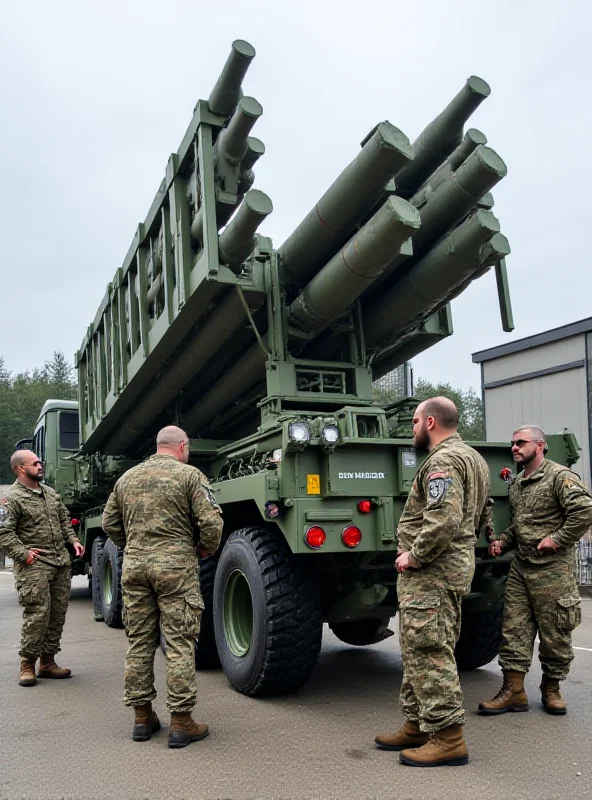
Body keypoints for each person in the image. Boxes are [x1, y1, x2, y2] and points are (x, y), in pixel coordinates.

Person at [375, 397, 490, 767]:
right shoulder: (474, 458)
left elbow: (444, 519)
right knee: (416, 646)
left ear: (429, 422)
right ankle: (417, 725)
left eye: (412, 422)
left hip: (433, 570)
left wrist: (415, 554)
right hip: (448, 567)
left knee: (430, 649)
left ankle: (448, 737)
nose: (411, 429)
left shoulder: (441, 461)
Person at [102, 425, 223, 748]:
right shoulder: (189, 476)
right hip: (175, 568)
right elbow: (211, 523)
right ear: (182, 446)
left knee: (139, 642)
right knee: (180, 643)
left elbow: (109, 523)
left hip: (135, 568)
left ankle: (143, 718)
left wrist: (134, 545)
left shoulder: (126, 479)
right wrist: (204, 549)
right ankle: (182, 723)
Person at [478, 425, 592, 716]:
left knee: (555, 633)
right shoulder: (517, 483)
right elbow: (522, 525)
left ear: (539, 446)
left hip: (552, 570)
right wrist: (502, 541)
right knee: (513, 630)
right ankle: (513, 691)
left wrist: (557, 538)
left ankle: (551, 689)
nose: (514, 448)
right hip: (521, 567)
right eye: (513, 443)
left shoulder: (559, 476)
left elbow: (585, 510)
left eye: (521, 442)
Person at [0, 450, 85, 687]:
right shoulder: (11, 498)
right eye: (35, 463)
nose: (40, 466)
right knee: (37, 614)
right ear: (19, 468)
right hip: (34, 566)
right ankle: (27, 664)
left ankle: (47, 662)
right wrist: (24, 555)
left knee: (57, 614)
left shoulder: (50, 494)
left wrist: (74, 540)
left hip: (60, 563)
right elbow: (4, 532)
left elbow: (64, 520)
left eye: (40, 462)